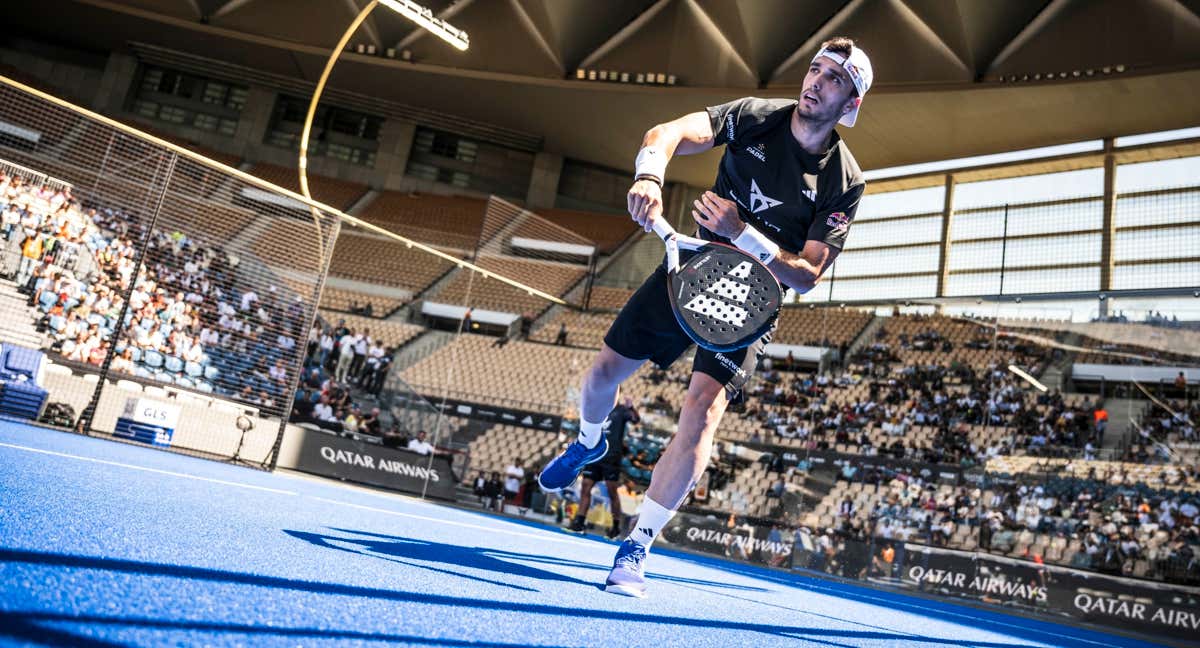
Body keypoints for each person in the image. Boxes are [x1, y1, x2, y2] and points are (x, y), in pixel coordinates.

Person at [538, 36, 872, 598]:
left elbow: (809, 276)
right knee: (601, 377)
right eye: (814, 68)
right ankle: (589, 440)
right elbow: (664, 133)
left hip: (753, 303)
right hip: (692, 271)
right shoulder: (754, 118)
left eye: (834, 78)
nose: (815, 82)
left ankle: (637, 544)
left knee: (703, 411)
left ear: (852, 103)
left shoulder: (844, 179)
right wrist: (649, 174)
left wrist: (745, 232)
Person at [568, 398, 639, 538]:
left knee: (612, 491)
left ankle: (615, 527)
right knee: (585, 486)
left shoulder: (621, 410)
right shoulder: (599, 408)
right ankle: (579, 523)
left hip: (611, 456)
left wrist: (631, 408)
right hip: (594, 454)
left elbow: (636, 420)